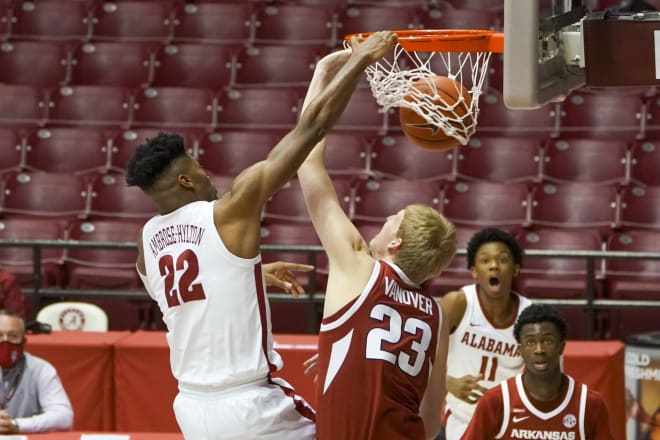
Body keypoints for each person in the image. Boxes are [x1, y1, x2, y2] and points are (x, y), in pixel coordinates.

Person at [126, 30, 397, 440]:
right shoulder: (227, 211)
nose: (205, 171)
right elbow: (312, 130)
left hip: (190, 407)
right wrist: (360, 59)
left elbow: (184, 295)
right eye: (197, 165)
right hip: (249, 406)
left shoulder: (146, 243)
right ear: (184, 179)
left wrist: (249, 273)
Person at [297, 48, 458, 440]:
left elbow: (305, 161)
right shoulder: (435, 315)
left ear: (396, 242)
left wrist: (324, 75)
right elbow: (432, 413)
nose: (385, 219)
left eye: (394, 218)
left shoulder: (358, 266)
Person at [461, 303, 614, 439]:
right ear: (520, 350)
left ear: (561, 346)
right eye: (531, 342)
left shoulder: (589, 403)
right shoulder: (496, 401)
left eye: (547, 341)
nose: (539, 350)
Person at [440, 228, 532, 440]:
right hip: (464, 418)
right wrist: (448, 383)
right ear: (474, 271)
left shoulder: (529, 316)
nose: (494, 265)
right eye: (485, 260)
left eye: (502, 259)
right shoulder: (458, 303)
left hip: (513, 420)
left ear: (515, 268)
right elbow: (419, 354)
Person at [0, 309, 73, 433]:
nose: (5, 342)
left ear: (24, 342)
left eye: (13, 336)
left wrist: (16, 425)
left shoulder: (41, 369)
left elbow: (64, 417)